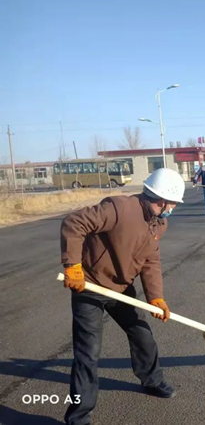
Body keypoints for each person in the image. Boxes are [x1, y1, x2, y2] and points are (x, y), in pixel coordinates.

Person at [60, 168, 185, 425]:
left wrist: (156, 297)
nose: (173, 208)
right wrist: (73, 265)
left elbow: (150, 260)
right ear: (163, 200)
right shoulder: (119, 208)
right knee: (87, 352)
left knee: (142, 333)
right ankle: (79, 416)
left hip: (121, 289)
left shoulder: (159, 223)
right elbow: (74, 222)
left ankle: (152, 380)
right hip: (90, 287)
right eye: (173, 203)